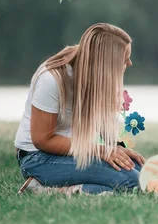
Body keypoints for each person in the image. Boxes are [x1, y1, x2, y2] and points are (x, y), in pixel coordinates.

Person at [14, 23, 147, 195]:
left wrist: (116, 149)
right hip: (38, 158)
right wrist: (100, 151)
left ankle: (46, 187)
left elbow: (101, 134)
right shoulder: (52, 79)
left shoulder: (96, 77)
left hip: (74, 154)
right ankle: (46, 190)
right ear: (104, 63)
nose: (129, 63)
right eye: (124, 59)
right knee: (131, 181)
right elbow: (42, 140)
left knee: (144, 175)